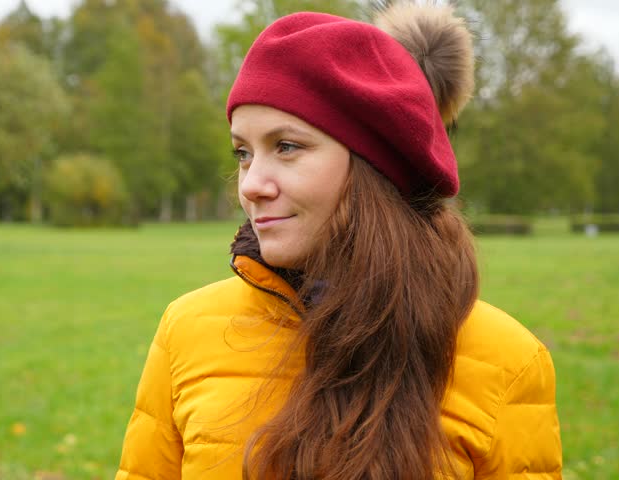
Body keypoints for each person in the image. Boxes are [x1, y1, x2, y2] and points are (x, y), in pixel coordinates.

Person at [116, 3, 562, 479]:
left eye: (286, 146)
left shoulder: (507, 363)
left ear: (376, 167)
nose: (250, 184)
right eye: (243, 153)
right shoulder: (185, 332)